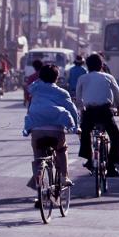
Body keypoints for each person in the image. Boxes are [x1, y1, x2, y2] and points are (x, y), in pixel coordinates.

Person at [24, 64, 79, 192]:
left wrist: (40, 79)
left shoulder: (35, 89)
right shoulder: (62, 92)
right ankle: (64, 176)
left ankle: (38, 181)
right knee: (62, 149)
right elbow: (73, 110)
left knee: (38, 157)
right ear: (57, 77)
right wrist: (76, 126)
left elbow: (30, 87)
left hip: (36, 128)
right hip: (56, 130)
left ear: (40, 77)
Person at [76, 53, 119, 177]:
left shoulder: (82, 78)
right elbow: (118, 96)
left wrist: (82, 111)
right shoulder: (108, 77)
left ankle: (89, 159)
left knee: (85, 134)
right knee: (116, 139)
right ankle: (111, 165)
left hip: (89, 112)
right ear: (101, 65)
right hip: (105, 112)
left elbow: (78, 99)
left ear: (87, 66)